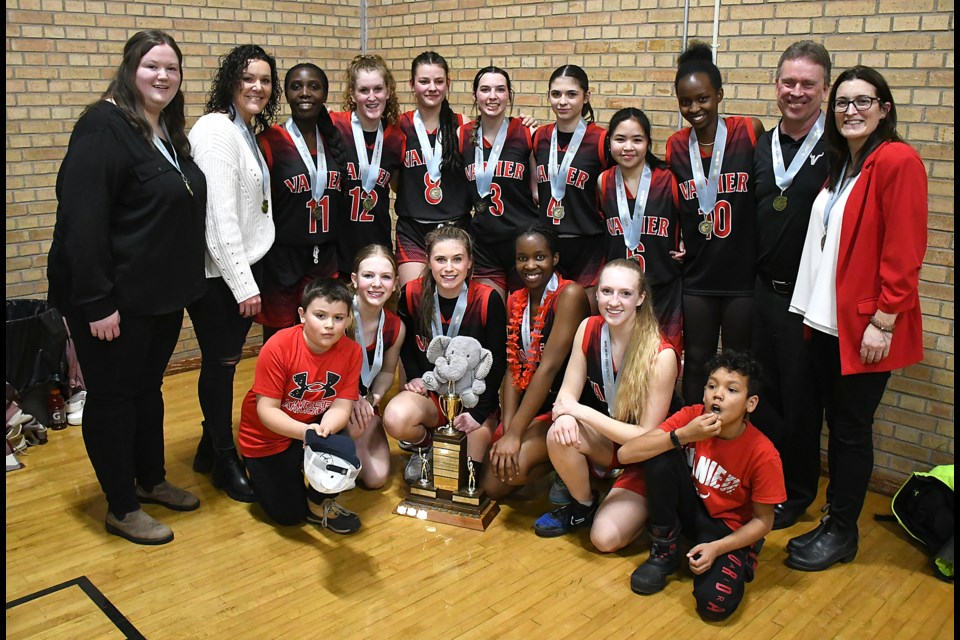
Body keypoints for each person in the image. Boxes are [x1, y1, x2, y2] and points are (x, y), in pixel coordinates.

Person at [47, 30, 207, 545]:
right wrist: (96, 302)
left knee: (147, 391)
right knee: (114, 399)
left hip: (159, 297)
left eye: (172, 69)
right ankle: (121, 505)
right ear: (130, 69)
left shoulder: (163, 129)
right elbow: (81, 222)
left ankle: (151, 478)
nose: (163, 76)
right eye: (151, 66)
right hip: (112, 303)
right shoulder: (102, 126)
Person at [786, 66, 927, 571]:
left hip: (867, 328)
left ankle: (843, 533)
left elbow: (905, 251)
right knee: (828, 423)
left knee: (850, 431)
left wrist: (884, 321)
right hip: (826, 322)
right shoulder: (844, 163)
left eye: (863, 101)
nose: (851, 110)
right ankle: (831, 517)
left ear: (884, 109)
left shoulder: (898, 161)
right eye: (843, 102)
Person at [620, 350, 785, 622]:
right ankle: (665, 548)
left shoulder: (764, 454)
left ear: (750, 403)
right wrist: (682, 435)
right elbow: (627, 454)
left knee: (715, 606)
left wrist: (718, 548)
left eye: (731, 390)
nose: (717, 395)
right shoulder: (692, 417)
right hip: (690, 510)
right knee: (658, 451)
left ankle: (738, 553)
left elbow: (763, 522)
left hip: (725, 529)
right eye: (711, 386)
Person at [533, 259, 680, 554]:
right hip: (611, 442)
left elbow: (645, 436)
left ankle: (654, 505)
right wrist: (565, 415)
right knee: (558, 433)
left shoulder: (661, 354)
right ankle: (583, 504)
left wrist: (579, 412)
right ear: (596, 294)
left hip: (646, 457)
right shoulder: (588, 327)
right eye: (607, 291)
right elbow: (566, 398)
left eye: (625, 294)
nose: (614, 302)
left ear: (641, 298)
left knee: (604, 540)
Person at [187, 44, 280, 503]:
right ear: (229, 81)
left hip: (243, 266)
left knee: (223, 365)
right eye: (248, 78)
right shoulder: (215, 130)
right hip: (220, 276)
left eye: (264, 80)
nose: (257, 87)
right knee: (221, 368)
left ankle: (208, 448)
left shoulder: (243, 129)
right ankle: (225, 458)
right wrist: (243, 283)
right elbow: (217, 218)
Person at [751, 41, 831, 530]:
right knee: (765, 396)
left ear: (824, 89)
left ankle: (798, 492)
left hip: (809, 300)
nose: (796, 92)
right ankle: (768, 481)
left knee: (803, 401)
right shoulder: (762, 144)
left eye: (807, 84)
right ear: (776, 85)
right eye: (788, 82)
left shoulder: (837, 147)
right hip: (762, 291)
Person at [665, 42, 765, 404]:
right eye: (686, 102)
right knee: (697, 363)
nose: (695, 108)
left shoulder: (748, 130)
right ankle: (693, 442)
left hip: (741, 276)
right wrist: (674, 240)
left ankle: (733, 442)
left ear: (720, 95)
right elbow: (672, 202)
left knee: (738, 367)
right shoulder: (675, 145)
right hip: (698, 276)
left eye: (703, 98)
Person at [237, 279, 364, 534]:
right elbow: (266, 411)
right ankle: (256, 468)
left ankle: (318, 502)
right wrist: (306, 434)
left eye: (339, 318)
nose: (329, 325)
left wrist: (324, 432)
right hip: (267, 436)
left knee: (346, 445)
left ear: (349, 318)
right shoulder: (278, 346)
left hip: (311, 426)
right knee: (289, 516)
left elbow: (341, 407)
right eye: (320, 316)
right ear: (302, 315)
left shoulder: (352, 351)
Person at [382, 225, 507, 484]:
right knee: (395, 417)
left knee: (461, 479)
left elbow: (496, 363)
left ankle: (466, 437)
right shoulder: (411, 293)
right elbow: (407, 343)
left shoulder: (487, 299)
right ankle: (425, 445)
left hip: (473, 402)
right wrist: (415, 376)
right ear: (428, 261)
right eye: (440, 259)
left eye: (457, 259)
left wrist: (479, 414)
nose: (448, 268)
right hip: (433, 399)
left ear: (470, 262)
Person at [482, 226, 590, 498]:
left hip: (567, 408)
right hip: (534, 405)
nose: (530, 265)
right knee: (492, 486)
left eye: (539, 257)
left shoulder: (570, 295)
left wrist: (515, 434)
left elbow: (548, 368)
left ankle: (568, 465)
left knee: (513, 467)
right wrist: (507, 427)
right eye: (522, 258)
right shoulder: (517, 298)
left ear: (555, 258)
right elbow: (512, 367)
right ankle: (547, 457)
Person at [255, 63, 349, 342]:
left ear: (325, 93)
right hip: (282, 260)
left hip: (324, 259)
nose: (305, 93)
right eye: (296, 86)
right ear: (285, 93)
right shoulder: (268, 141)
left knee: (324, 338)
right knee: (280, 342)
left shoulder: (335, 141)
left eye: (314, 86)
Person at [598, 107, 683, 352]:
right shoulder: (604, 182)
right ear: (609, 142)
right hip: (621, 294)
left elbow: (687, 218)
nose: (628, 147)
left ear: (648, 143)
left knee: (661, 358)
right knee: (622, 358)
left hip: (663, 289)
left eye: (637, 140)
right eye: (620, 139)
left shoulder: (669, 179)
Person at [532, 65, 610, 308]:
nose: (562, 101)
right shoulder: (538, 137)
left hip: (588, 244)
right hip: (550, 244)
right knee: (549, 318)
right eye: (556, 94)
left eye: (571, 94)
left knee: (585, 318)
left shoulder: (601, 139)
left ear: (586, 97)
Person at [461, 66, 540, 298]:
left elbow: (538, 193)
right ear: (475, 96)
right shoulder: (462, 136)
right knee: (491, 313)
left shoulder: (527, 132)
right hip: (485, 244)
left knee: (519, 321)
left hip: (523, 243)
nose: (492, 96)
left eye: (500, 89)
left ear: (509, 95)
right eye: (485, 89)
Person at [395, 51, 471, 287]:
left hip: (455, 226)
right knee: (413, 297)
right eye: (424, 81)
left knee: (456, 299)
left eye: (439, 81)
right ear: (412, 84)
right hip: (413, 229)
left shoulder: (462, 123)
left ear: (448, 83)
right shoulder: (400, 125)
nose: (432, 88)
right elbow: (395, 182)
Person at [330, 54, 404, 276]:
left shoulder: (396, 137)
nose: (372, 97)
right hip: (337, 249)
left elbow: (398, 187)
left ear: (388, 91)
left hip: (377, 246)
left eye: (378, 89)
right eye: (364, 90)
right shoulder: (334, 126)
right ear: (352, 94)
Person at [347, 244, 406, 489]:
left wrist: (373, 400)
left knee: (376, 478)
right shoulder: (339, 316)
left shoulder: (395, 326)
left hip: (365, 405)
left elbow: (386, 372)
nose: (376, 284)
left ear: (395, 283)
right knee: (342, 473)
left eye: (385, 277)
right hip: (332, 401)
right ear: (354, 279)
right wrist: (349, 400)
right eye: (368, 275)